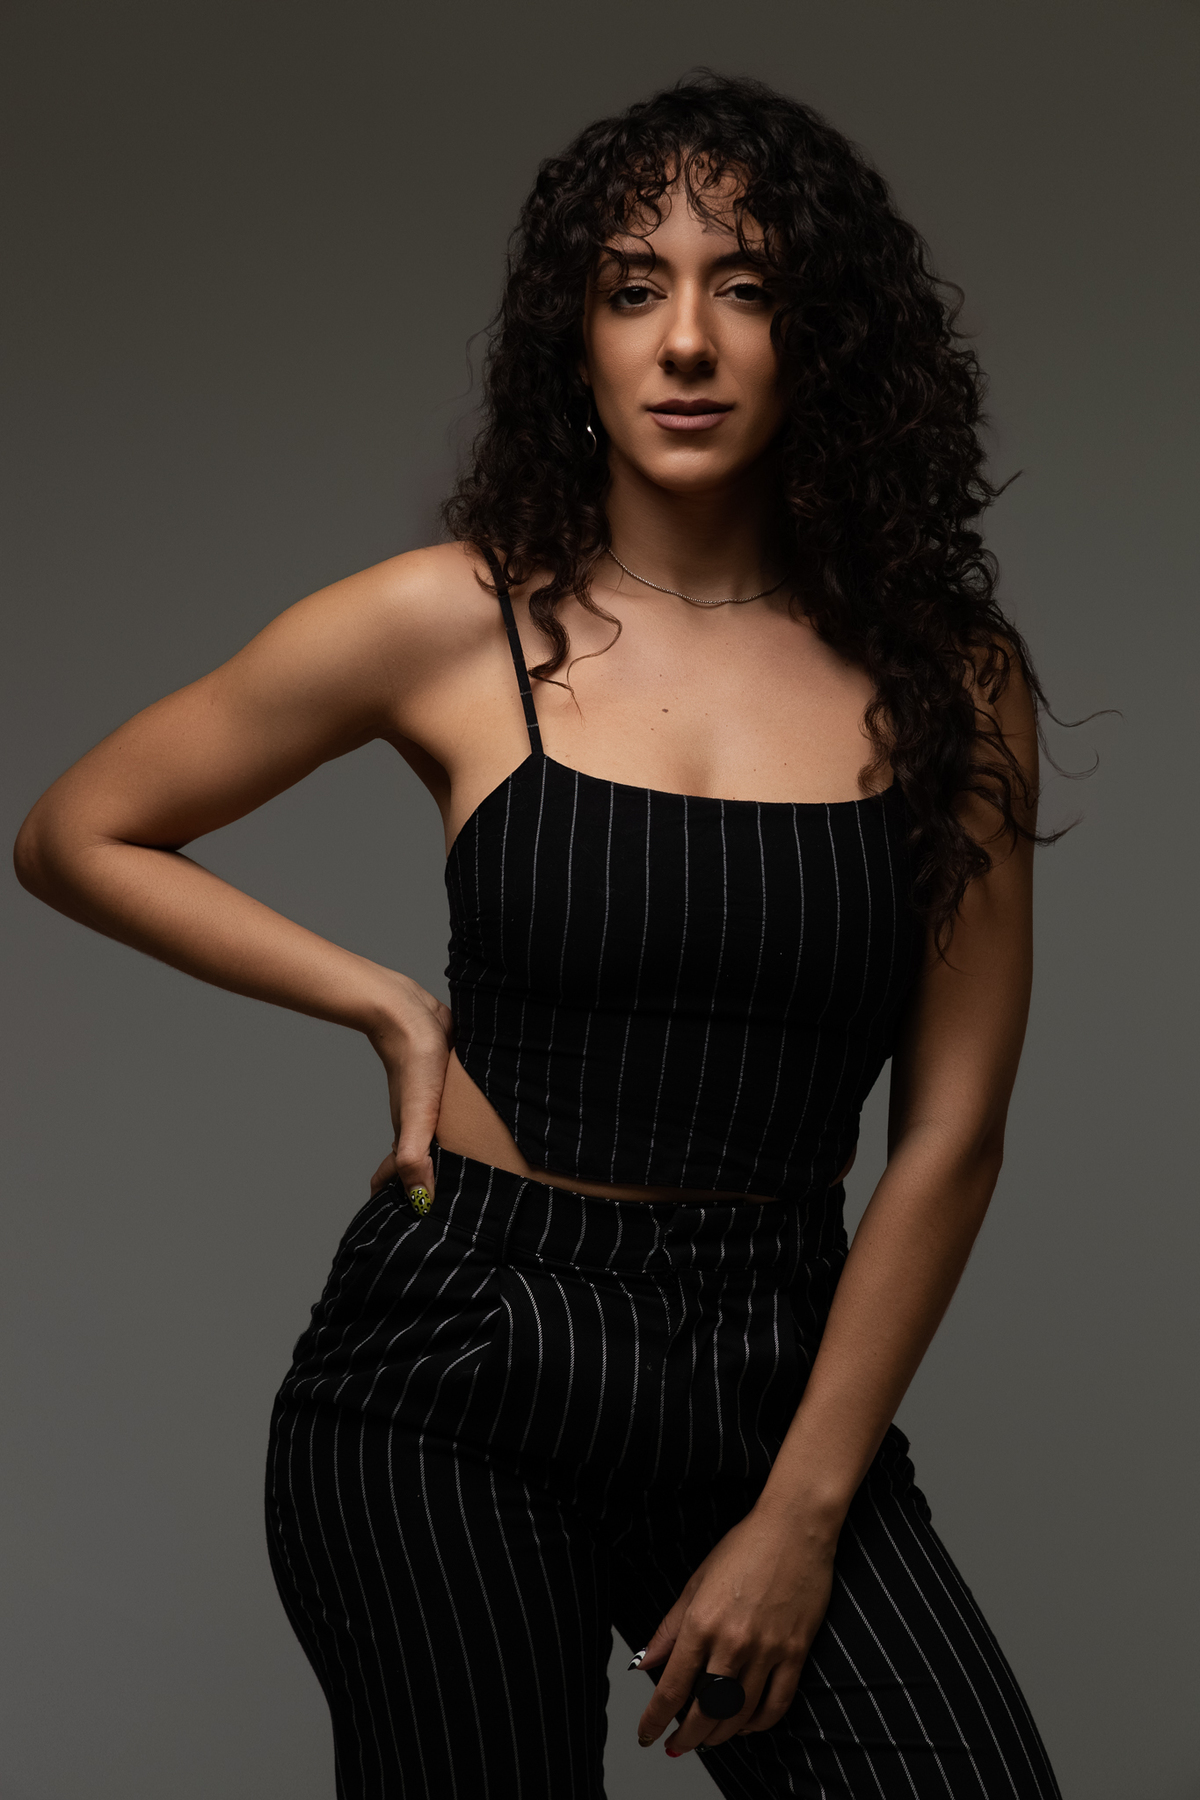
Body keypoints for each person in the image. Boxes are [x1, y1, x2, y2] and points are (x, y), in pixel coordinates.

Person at [14, 70, 1063, 1800]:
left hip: (780, 1370)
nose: (686, 341)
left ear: (824, 338)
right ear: (575, 337)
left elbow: (953, 1131)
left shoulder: (955, 676)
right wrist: (382, 1003)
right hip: (457, 1364)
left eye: (746, 287)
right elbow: (77, 832)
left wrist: (802, 1514)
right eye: (634, 288)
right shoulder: (451, 620)